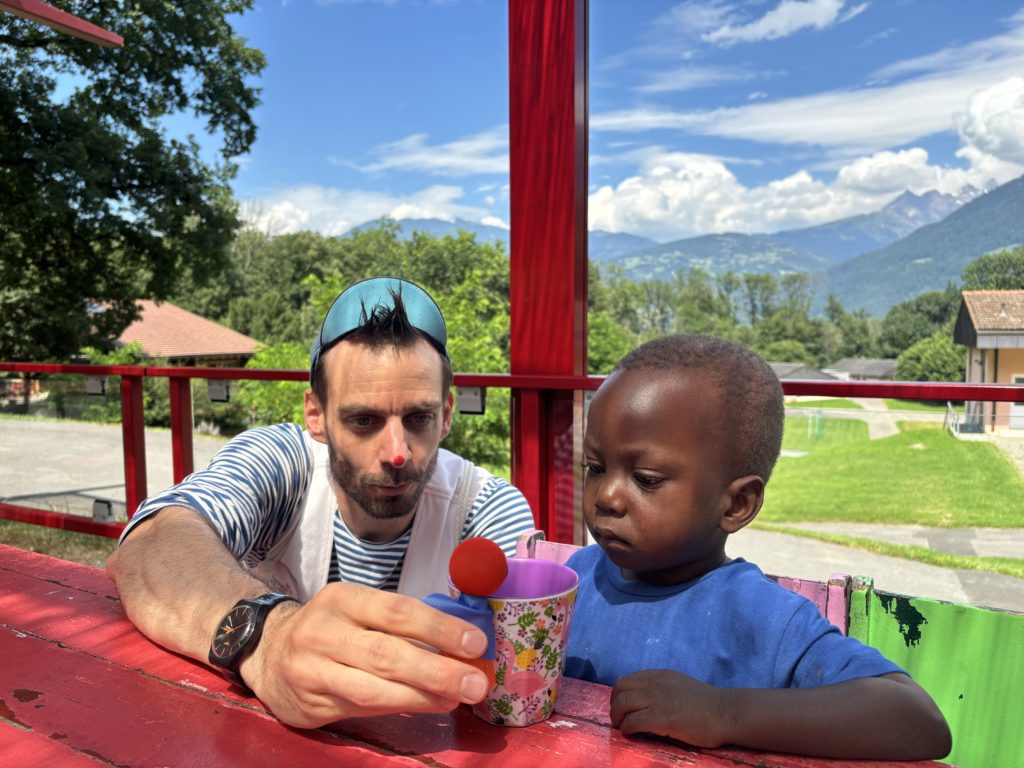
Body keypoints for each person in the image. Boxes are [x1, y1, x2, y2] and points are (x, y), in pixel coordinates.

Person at [107, 277, 536, 729]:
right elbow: (148, 544)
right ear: (316, 414)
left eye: (418, 418)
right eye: (363, 420)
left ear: (446, 415)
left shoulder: (486, 509)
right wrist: (271, 638)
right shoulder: (282, 464)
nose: (397, 452)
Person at [564, 334, 951, 761]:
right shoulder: (572, 582)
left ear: (737, 504)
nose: (607, 497)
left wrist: (722, 713)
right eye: (595, 468)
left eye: (646, 478)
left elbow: (917, 720)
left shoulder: (760, 617)